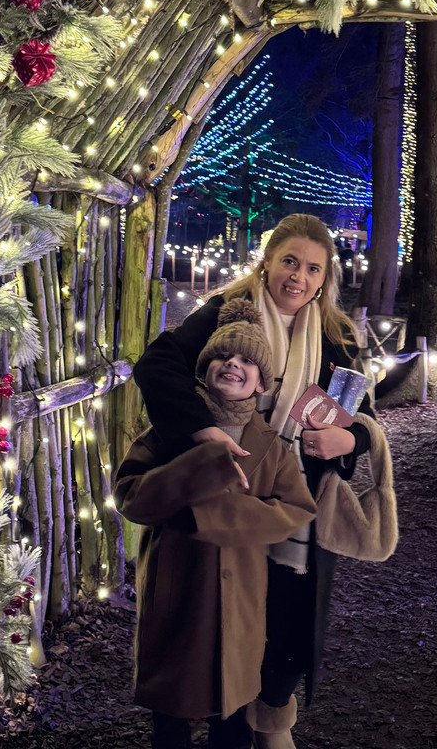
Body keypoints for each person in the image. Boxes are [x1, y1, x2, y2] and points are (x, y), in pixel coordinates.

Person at [133, 213, 377, 749]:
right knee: (215, 608)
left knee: (288, 618)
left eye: (313, 268)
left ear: (325, 278)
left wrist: (350, 441)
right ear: (267, 262)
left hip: (297, 494)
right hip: (229, 482)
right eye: (289, 261)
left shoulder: (335, 337)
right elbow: (156, 365)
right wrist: (202, 432)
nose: (298, 276)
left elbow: (361, 417)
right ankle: (199, 714)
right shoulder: (226, 313)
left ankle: (272, 720)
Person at [115, 298, 317, 749]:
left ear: (262, 382)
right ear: (203, 368)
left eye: (247, 360)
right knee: (172, 713)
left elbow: (298, 509)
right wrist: (195, 469)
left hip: (241, 598)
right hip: (178, 590)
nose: (233, 364)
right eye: (223, 356)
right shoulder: (168, 432)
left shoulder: (269, 445)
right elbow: (129, 495)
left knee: (233, 712)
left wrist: (209, 516)